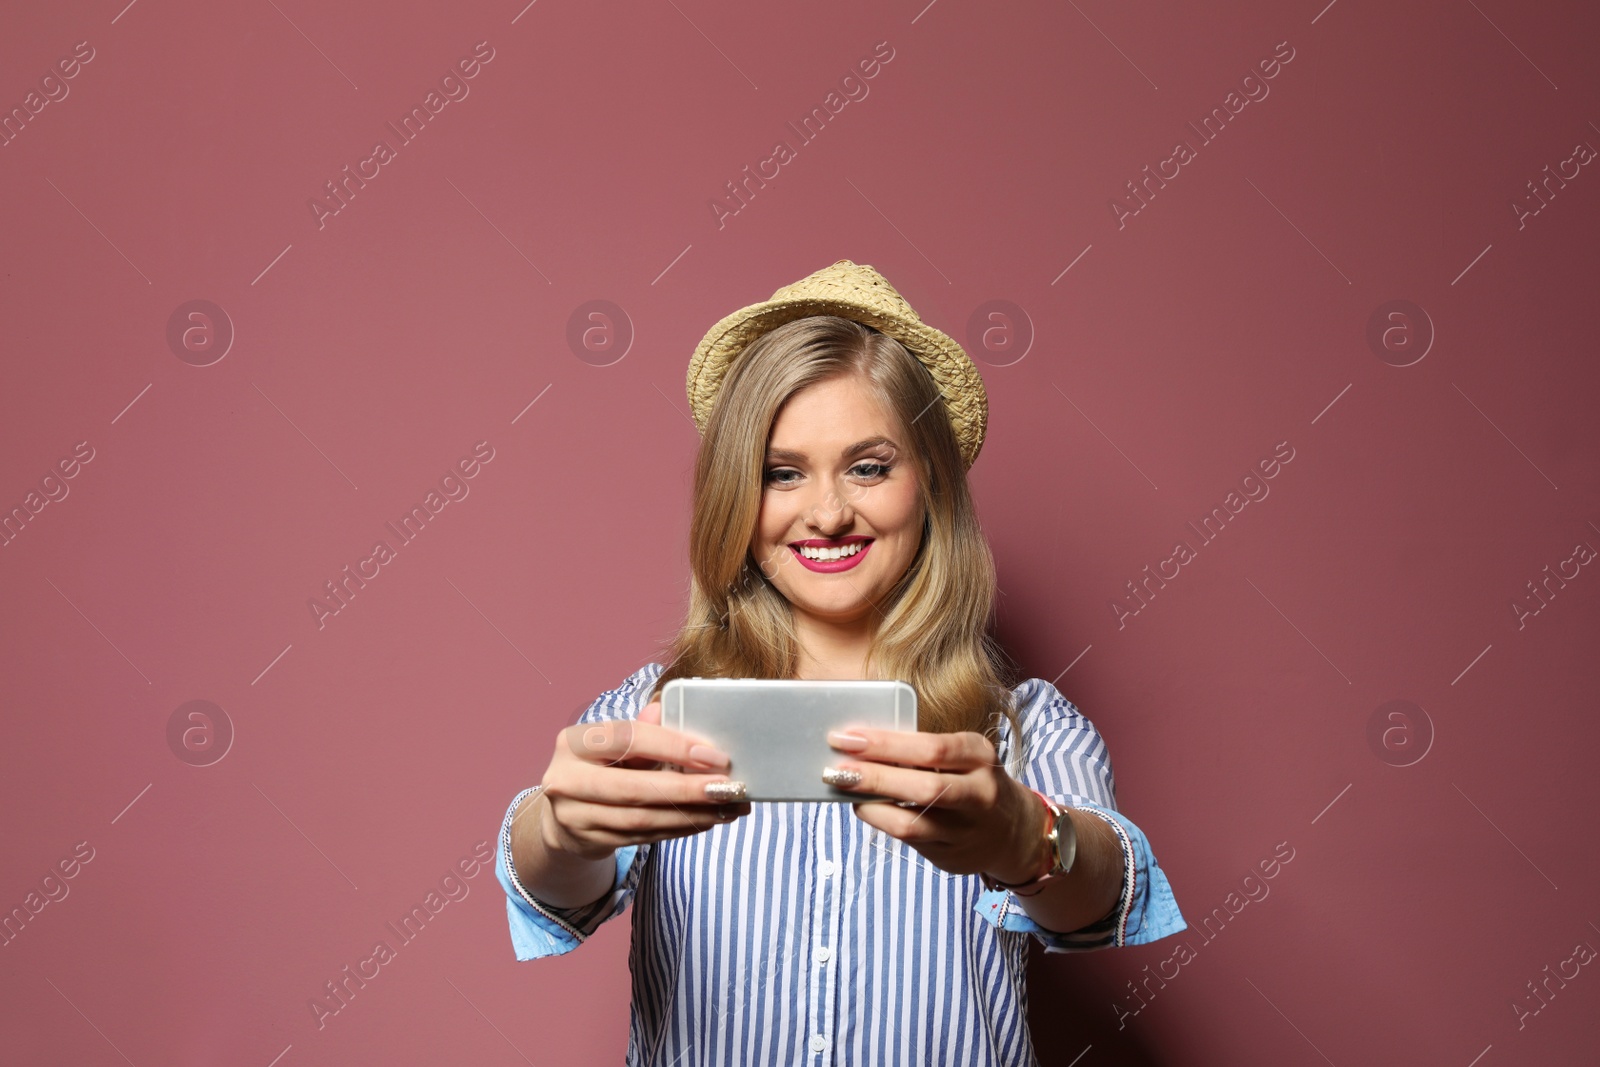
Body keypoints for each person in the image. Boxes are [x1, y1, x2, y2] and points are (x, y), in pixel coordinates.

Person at [495, 260, 1187, 1065]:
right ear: (736, 499)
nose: (826, 512)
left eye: (868, 466)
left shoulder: (1022, 723)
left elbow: (1105, 890)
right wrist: (558, 827)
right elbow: (549, 886)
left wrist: (1024, 837)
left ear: (928, 485)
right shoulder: (657, 712)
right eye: (781, 474)